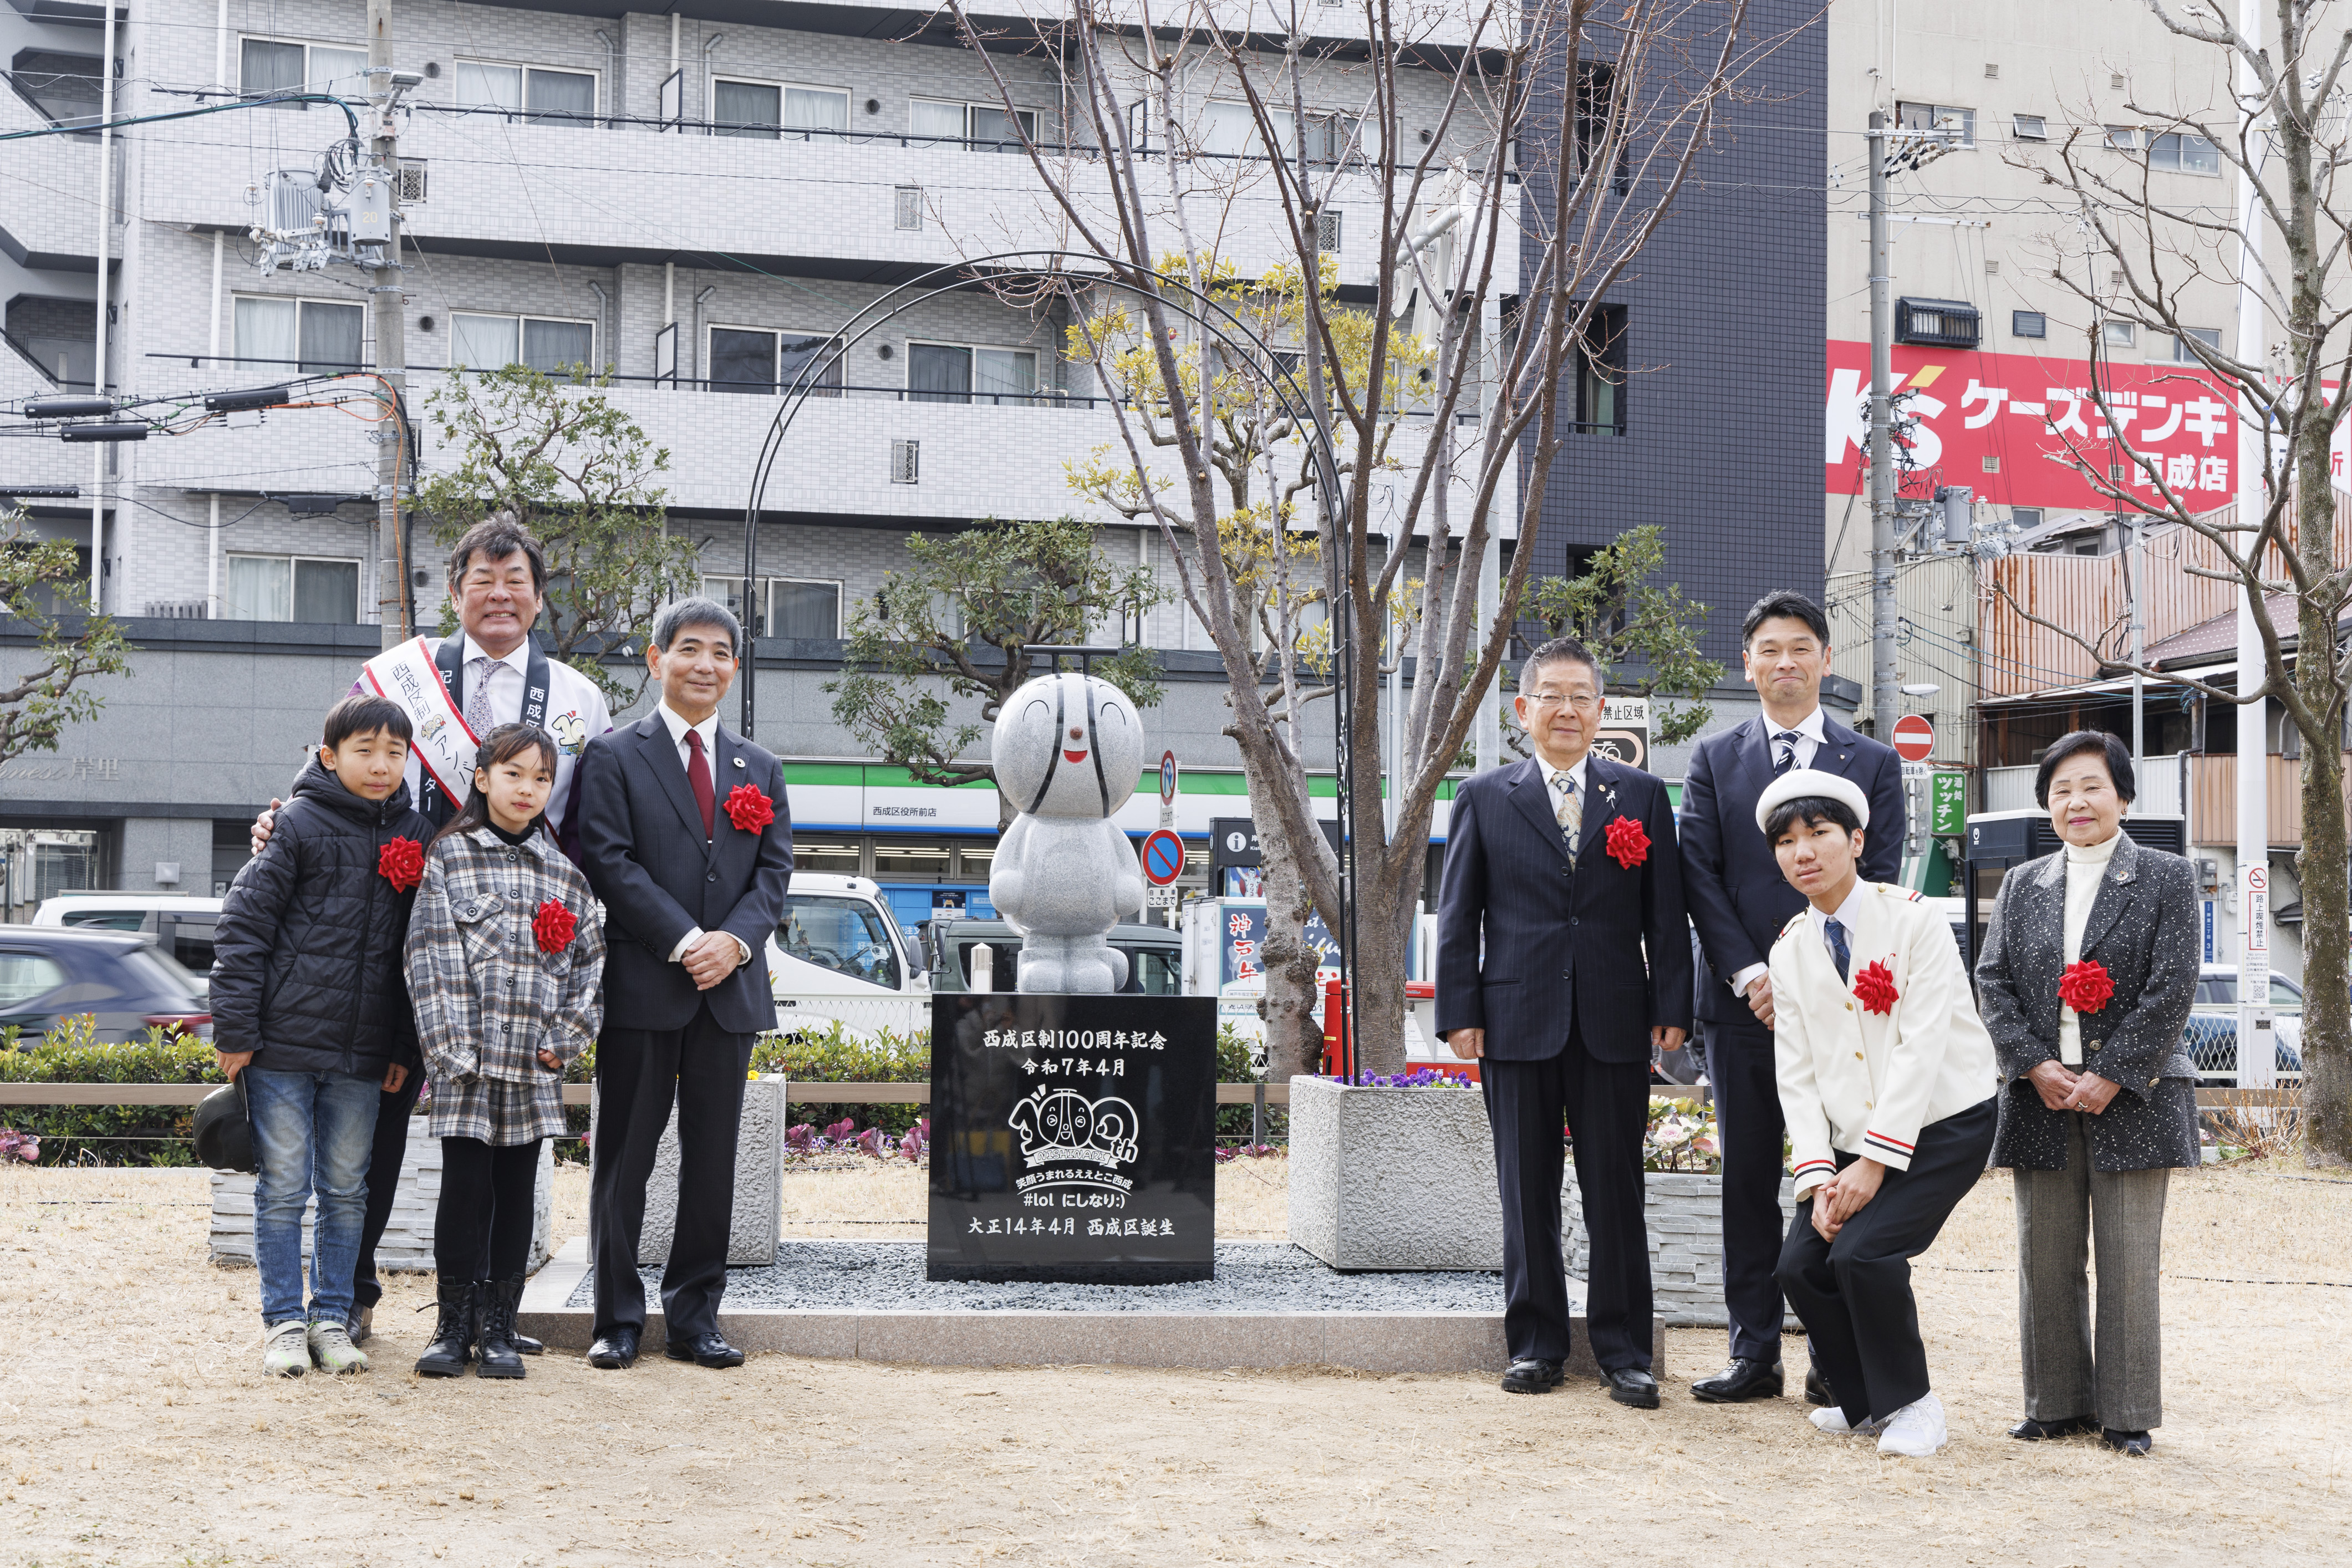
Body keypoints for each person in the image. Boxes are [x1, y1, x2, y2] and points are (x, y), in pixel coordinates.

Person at [248, 516, 612, 1349]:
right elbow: (331, 772)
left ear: (540, 596)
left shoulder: (579, 699)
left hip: (517, 952)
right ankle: (351, 1295)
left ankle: (488, 1314)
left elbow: (588, 828)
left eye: (516, 580)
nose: (499, 594)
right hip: (395, 930)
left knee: (502, 1148)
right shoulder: (397, 676)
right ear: (454, 591)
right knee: (374, 1127)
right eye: (483, 578)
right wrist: (276, 821)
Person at [1435, 635, 1691, 1408]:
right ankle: (1535, 1344)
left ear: (1600, 710)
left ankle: (1625, 1352)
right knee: (1526, 1189)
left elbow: (1665, 914)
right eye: (1552, 695)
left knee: (1615, 1188)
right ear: (1524, 709)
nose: (1568, 709)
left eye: (1582, 696)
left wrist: (1671, 1006)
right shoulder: (1485, 796)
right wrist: (1459, 1011)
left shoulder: (1641, 796)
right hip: (1514, 1019)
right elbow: (1459, 914)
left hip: (1614, 1019)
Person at [1677, 590, 1906, 1406]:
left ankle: (1834, 1355)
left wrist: (1814, 981)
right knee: (1745, 1178)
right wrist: (1753, 975)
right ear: (1747, 664)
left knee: (1840, 1172)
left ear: (1825, 659)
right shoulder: (1714, 758)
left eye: (1801, 647)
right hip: (1744, 1007)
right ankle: (1752, 1352)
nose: (1785, 662)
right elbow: (1698, 874)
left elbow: (1879, 879)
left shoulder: (1872, 762)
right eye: (1768, 649)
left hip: (1844, 1007)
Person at [579, 598, 793, 1371]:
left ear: (735, 666)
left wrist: (734, 941)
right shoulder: (613, 755)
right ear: (656, 659)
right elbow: (608, 860)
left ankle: (695, 1317)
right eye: (690, 649)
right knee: (624, 1161)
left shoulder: (759, 767)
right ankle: (617, 1317)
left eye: (721, 653)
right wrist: (684, 939)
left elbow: (774, 872)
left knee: (712, 1163)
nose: (706, 664)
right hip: (645, 986)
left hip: (728, 993)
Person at [1973, 731, 2200, 1458]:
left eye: (2092, 786)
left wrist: (2114, 1071)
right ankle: (2054, 1405)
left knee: (2129, 1262)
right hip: (2042, 1094)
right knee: (2044, 1258)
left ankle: (2127, 1414)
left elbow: (2173, 986)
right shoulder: (2022, 883)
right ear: (2046, 803)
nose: (2077, 801)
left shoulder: (2167, 876)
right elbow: (1992, 981)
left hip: (2134, 1095)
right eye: (2061, 789)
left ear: (2123, 796)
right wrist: (2034, 1064)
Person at [1760, 768, 1997, 1458]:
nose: (1803, 851)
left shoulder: (1915, 920)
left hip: (1944, 1119)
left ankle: (1916, 1404)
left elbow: (1922, 1048)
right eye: (1786, 841)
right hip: (1848, 1136)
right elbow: (1797, 1073)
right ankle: (1866, 1401)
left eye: (1818, 833)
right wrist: (1816, 1178)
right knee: (1800, 1265)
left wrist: (1873, 1162)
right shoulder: (1788, 949)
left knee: (1864, 1254)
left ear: (1857, 840)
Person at [208, 695, 437, 1376]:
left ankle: (332, 1316)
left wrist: (402, 1048)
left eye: (395, 752)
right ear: (329, 756)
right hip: (280, 1046)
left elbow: (419, 954)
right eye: (365, 750)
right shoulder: (297, 823)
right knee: (283, 1187)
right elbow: (242, 928)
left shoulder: (419, 834)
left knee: (346, 1190)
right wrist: (236, 1031)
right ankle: (283, 1321)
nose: (381, 764)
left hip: (363, 1054)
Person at [404, 724, 606, 1379]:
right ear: (483, 777)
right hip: (465, 1062)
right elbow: (429, 954)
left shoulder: (566, 876)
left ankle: (499, 1327)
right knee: (464, 1189)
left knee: (517, 1191)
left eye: (541, 777)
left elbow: (590, 969)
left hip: (533, 1065)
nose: (527, 788)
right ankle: (451, 1326)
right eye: (513, 773)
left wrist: (564, 1040)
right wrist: (452, 1049)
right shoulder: (450, 857)